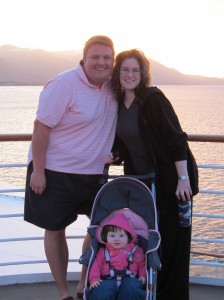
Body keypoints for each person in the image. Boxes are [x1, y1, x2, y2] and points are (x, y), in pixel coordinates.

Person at [24, 35, 118, 300]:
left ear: (113, 60)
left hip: (94, 172)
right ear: (84, 58)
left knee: (100, 228)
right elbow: (41, 127)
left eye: (107, 58)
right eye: (95, 57)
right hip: (56, 171)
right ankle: (64, 291)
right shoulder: (63, 84)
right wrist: (39, 171)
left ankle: (84, 283)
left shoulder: (115, 86)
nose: (101, 63)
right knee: (55, 228)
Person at [105, 49, 199, 300]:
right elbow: (129, 143)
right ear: (118, 72)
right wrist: (115, 154)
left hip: (171, 185)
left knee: (172, 247)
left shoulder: (153, 99)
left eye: (135, 70)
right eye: (125, 69)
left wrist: (183, 180)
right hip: (143, 187)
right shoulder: (119, 102)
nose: (130, 74)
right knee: (151, 244)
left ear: (143, 73)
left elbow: (176, 139)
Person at [89, 213, 146, 300]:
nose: (116, 239)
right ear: (105, 237)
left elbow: (142, 264)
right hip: (107, 279)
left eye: (121, 235)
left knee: (133, 288)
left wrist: (142, 275)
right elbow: (96, 266)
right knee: (102, 290)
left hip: (130, 278)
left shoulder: (136, 251)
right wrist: (94, 278)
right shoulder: (103, 252)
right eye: (112, 236)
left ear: (128, 237)